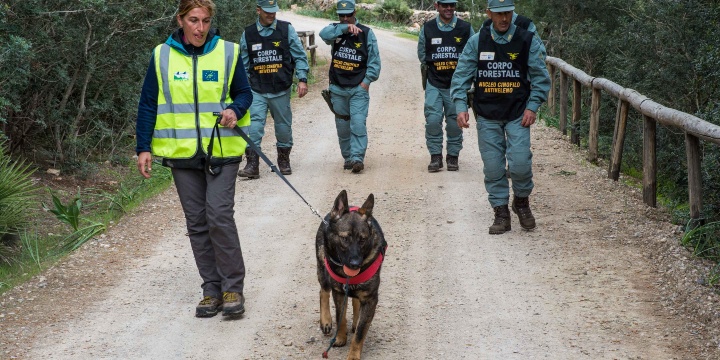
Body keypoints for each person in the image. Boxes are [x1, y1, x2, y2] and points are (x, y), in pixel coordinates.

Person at [135, 0, 252, 318]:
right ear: (181, 20)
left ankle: (232, 288)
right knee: (198, 223)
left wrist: (235, 110)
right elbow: (148, 103)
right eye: (193, 20)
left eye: (205, 20)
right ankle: (211, 291)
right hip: (182, 154)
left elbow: (244, 93)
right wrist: (142, 147)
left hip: (223, 152)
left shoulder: (227, 51)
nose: (200, 28)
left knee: (219, 216)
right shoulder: (161, 55)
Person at [450, 0, 550, 234]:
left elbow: (540, 77)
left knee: (520, 163)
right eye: (498, 14)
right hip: (487, 114)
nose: (503, 18)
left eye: (507, 13)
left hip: (518, 114)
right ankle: (501, 212)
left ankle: (521, 202)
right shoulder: (478, 41)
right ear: (489, 14)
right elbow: (462, 74)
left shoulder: (527, 40)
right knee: (494, 167)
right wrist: (460, 106)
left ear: (512, 13)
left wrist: (533, 106)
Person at [237, 0, 310, 179]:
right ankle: (252, 165)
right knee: (253, 127)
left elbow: (299, 56)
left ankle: (283, 160)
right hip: (256, 89)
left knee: (283, 127)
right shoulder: (248, 33)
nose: (271, 14)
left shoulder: (286, 30)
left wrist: (302, 79)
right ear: (258, 10)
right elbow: (243, 64)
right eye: (267, 11)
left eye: (274, 11)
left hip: (281, 88)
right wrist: (241, 88)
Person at [319, 0, 381, 173]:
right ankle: (348, 158)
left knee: (358, 124)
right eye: (342, 15)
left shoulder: (367, 33)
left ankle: (357, 158)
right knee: (343, 126)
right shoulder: (335, 30)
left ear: (355, 13)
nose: (345, 18)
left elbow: (375, 63)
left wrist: (365, 83)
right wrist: (344, 28)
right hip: (337, 88)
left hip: (358, 88)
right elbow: (323, 34)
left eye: (349, 15)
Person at [417, 0, 474, 172]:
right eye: (444, 5)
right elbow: (422, 54)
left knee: (454, 122)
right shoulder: (427, 28)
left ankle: (453, 156)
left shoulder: (465, 28)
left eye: (452, 5)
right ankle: (435, 157)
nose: (449, 8)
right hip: (434, 82)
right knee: (433, 120)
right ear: (437, 6)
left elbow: (474, 53)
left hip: (457, 85)